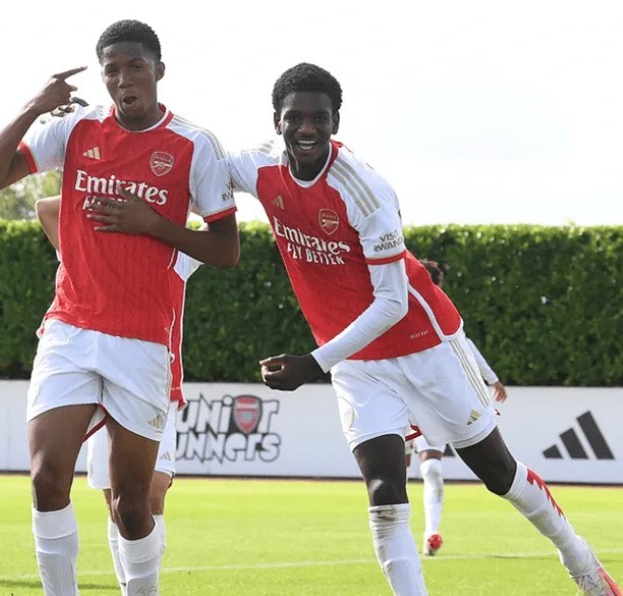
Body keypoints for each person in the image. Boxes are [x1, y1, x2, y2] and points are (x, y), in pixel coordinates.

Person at [225, 63, 618, 595]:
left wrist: (312, 364)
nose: (307, 128)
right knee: (384, 488)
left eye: (319, 117)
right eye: (295, 117)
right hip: (356, 361)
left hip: (422, 342)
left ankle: (580, 560)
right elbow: (197, 167)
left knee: (498, 473)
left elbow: (390, 303)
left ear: (336, 121)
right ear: (278, 121)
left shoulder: (366, 191)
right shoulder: (256, 168)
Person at [0, 19, 239, 595]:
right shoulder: (73, 129)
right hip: (70, 329)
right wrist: (33, 105)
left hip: (143, 342)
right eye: (111, 69)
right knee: (45, 480)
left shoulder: (195, 144)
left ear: (158, 71)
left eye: (135, 66)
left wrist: (154, 224)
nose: (123, 79)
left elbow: (226, 249)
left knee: (134, 505)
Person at [36, 196, 198, 591]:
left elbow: (215, 228)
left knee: (150, 492)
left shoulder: (173, 252)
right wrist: (102, 190)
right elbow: (45, 207)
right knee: (115, 501)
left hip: (154, 380)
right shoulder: (86, 246)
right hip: (91, 377)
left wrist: (156, 204)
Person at [406, 258, 509, 556]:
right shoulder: (393, 306)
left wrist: (491, 379)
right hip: (398, 400)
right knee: (393, 477)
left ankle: (431, 534)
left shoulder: (439, 309)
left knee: (432, 470)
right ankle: (396, 542)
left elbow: (463, 344)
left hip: (429, 402)